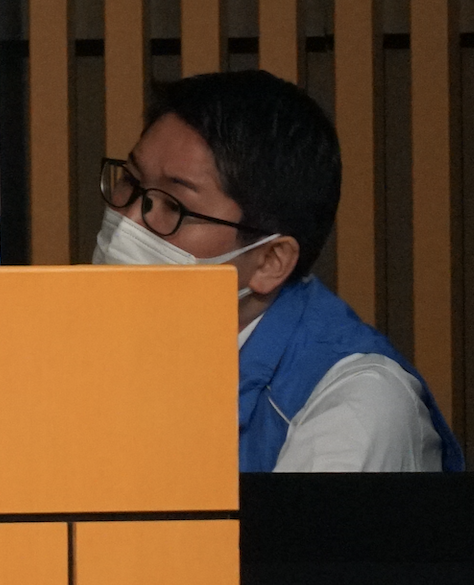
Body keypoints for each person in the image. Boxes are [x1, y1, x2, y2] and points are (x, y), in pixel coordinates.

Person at [95, 69, 461, 472]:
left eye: (174, 207)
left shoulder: (356, 405)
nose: (128, 220)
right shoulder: (101, 344)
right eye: (130, 181)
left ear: (270, 261)